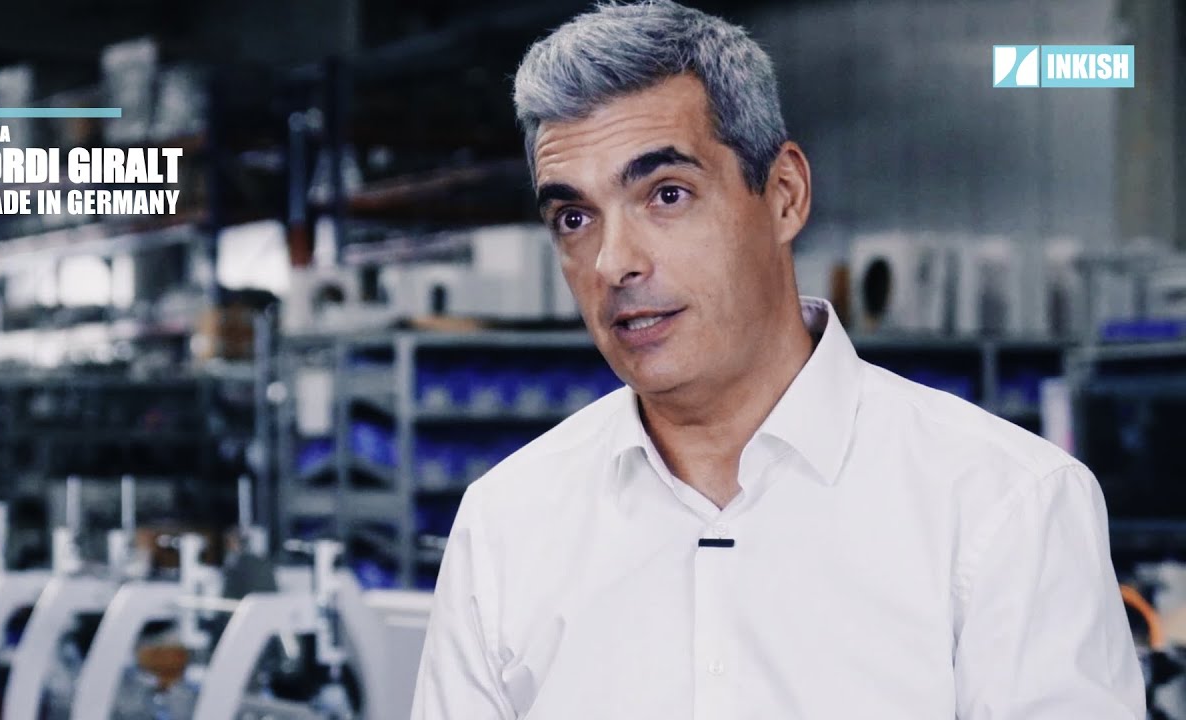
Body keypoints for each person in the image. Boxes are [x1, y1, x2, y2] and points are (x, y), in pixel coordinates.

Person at [410, 1, 1145, 718]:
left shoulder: (1004, 508)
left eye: (667, 195)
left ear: (785, 196)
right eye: (574, 218)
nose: (613, 262)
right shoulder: (506, 525)